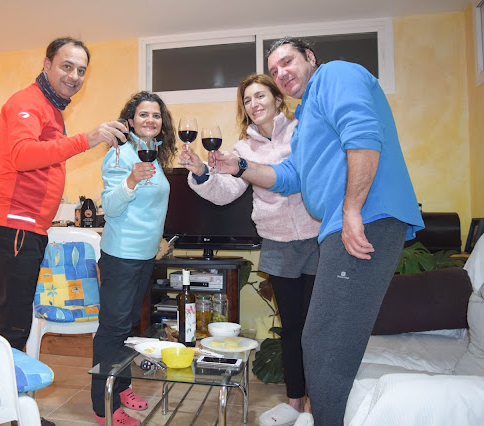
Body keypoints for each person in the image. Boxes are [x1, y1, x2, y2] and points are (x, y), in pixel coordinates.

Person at [213, 38, 424, 426]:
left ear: (310, 57)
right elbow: (289, 177)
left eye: (287, 61)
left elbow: (362, 132)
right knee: (320, 339)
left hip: (366, 217)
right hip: (343, 224)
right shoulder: (307, 116)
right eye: (274, 70)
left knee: (325, 343)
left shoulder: (335, 75)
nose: (281, 73)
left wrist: (352, 209)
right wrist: (240, 167)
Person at [179, 73, 319, 422]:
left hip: (317, 237)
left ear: (277, 98)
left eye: (260, 96)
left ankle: (316, 405)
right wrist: (201, 172)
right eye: (247, 100)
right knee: (292, 328)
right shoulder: (243, 149)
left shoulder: (302, 130)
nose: (254, 104)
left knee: (318, 328)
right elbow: (225, 193)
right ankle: (294, 402)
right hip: (279, 243)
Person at [0, 37, 127, 354]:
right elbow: (22, 155)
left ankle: (5, 379)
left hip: (27, 226)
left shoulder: (51, 110)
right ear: (47, 64)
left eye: (81, 70)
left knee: (16, 316)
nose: (74, 76)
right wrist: (86, 139)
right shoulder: (27, 102)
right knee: (14, 320)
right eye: (67, 66)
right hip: (14, 223)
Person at [91, 91, 176, 425]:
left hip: (144, 255)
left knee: (126, 328)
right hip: (122, 255)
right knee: (112, 329)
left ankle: (122, 386)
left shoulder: (152, 154)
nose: (150, 120)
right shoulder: (119, 154)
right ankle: (104, 407)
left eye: (156, 115)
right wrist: (130, 180)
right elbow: (111, 208)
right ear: (130, 120)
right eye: (143, 114)